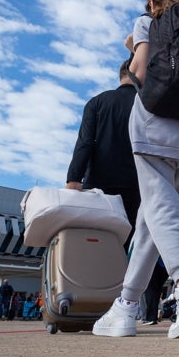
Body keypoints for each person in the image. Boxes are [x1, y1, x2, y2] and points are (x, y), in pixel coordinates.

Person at [91, 0, 179, 340]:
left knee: (160, 210)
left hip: (157, 128)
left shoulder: (149, 21)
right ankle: (126, 306)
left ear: (152, 3)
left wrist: (133, 50)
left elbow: (141, 72)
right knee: (152, 217)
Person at [66, 58, 141, 243]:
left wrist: (74, 178)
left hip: (98, 183)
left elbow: (85, 142)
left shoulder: (97, 102)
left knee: (92, 239)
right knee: (124, 242)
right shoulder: (146, 105)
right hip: (136, 185)